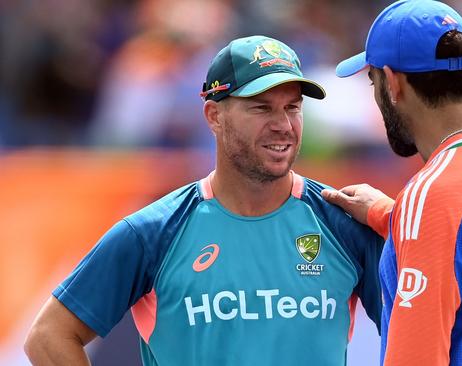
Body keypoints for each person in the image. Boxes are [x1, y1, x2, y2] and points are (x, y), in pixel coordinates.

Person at [24, 35, 384, 366]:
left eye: (292, 107)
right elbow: (48, 336)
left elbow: (421, 332)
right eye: (261, 108)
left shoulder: (344, 224)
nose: (283, 125)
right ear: (214, 116)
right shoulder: (154, 232)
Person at [322, 1, 462, 365]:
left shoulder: (434, 194)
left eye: (373, 80)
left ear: (393, 83)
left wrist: (414, 213)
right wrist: (390, 215)